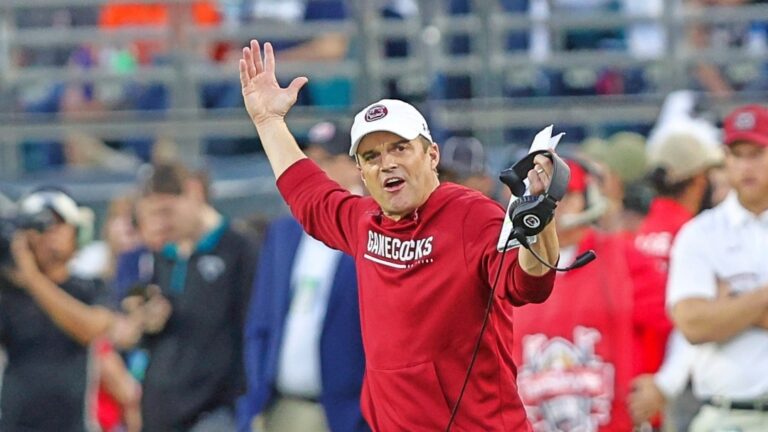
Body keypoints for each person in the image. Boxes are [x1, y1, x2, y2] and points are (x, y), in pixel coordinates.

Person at [239, 40, 560, 430]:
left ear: (432, 156)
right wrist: (269, 123)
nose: (387, 163)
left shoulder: (470, 214)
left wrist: (538, 222)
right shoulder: (364, 220)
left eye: (400, 148)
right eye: (372, 156)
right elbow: (306, 192)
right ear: (361, 172)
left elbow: (528, 284)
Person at [510, 159, 663, 431]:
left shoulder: (622, 257)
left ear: (589, 199)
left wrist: (663, 383)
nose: (553, 206)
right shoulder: (505, 266)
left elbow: (677, 323)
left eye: (565, 196)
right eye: (541, 197)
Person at [237, 121, 368, 432]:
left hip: (348, 411)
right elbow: (261, 318)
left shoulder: (373, 226)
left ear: (354, 167)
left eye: (325, 160)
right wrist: (257, 392)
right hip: (281, 405)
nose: (313, 169)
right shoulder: (284, 232)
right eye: (309, 159)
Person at [666, 104, 768, 432]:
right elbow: (693, 324)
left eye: (757, 153)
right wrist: (762, 300)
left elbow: (706, 319)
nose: (746, 165)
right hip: (724, 414)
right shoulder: (700, 233)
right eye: (738, 154)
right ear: (725, 157)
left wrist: (731, 304)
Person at [628, 118, 724, 430]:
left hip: (637, 389)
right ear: (699, 180)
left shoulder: (635, 238)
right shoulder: (698, 238)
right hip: (682, 388)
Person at [0, 188, 119, 431]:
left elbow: (91, 329)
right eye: (40, 226)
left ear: (77, 232)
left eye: (58, 224)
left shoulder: (90, 288)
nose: (49, 234)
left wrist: (31, 276)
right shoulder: (8, 293)